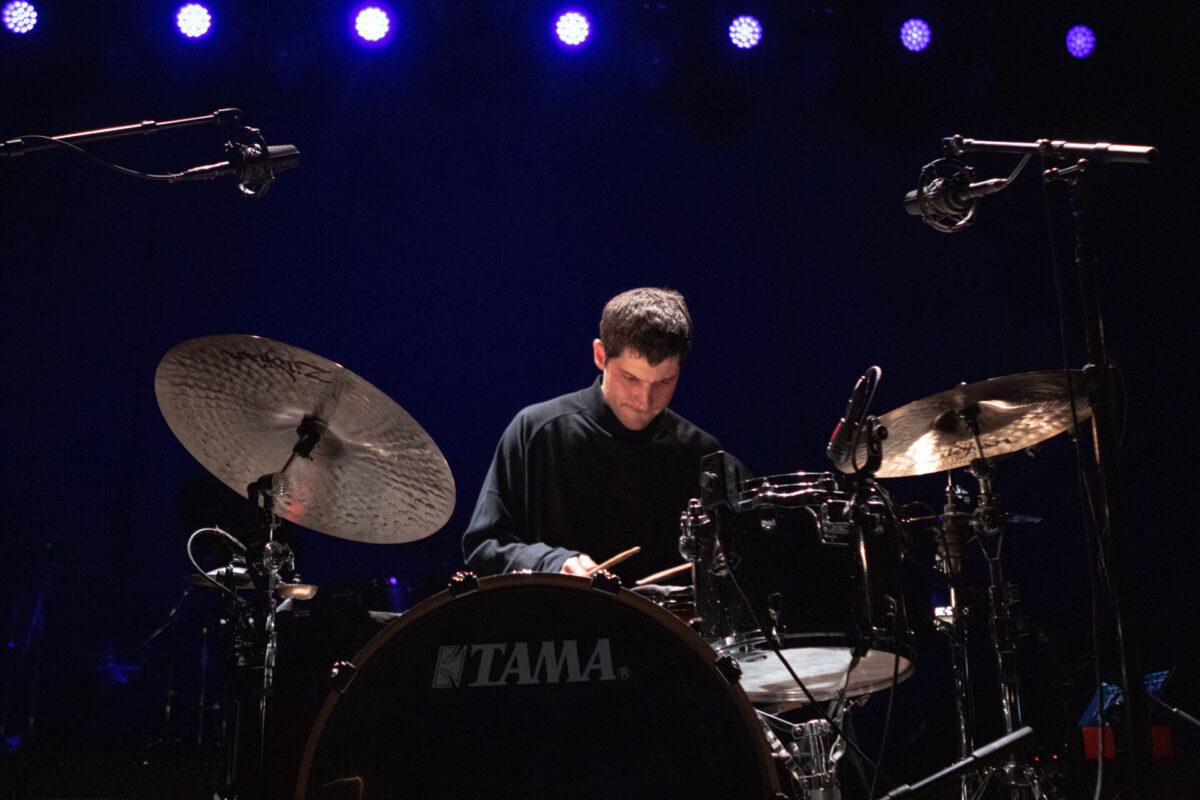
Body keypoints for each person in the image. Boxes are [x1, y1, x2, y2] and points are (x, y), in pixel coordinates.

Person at [462, 287, 721, 584]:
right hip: (554, 611)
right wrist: (552, 563)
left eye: (664, 381)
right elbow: (484, 546)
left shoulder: (701, 454)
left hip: (660, 616)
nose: (645, 401)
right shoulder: (536, 431)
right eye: (631, 378)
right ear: (600, 355)